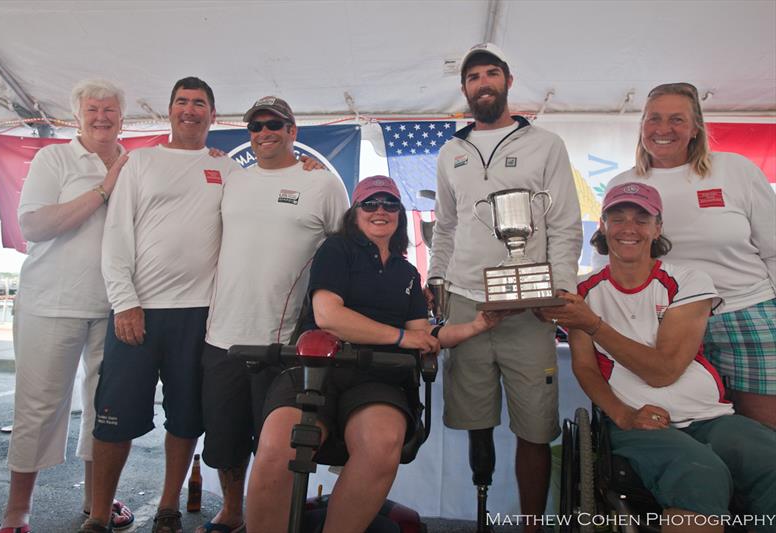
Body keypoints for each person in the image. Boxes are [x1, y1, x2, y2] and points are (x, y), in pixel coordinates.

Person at [246, 176, 507, 533]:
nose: (380, 210)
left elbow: (423, 335)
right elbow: (328, 316)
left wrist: (478, 324)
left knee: (382, 445)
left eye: (389, 204)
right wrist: (401, 338)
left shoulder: (408, 273)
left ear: (399, 214)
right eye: (370, 203)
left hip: (379, 375)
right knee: (278, 449)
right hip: (315, 369)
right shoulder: (336, 250)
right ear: (354, 213)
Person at [542, 182, 776, 533]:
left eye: (641, 218)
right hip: (635, 421)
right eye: (617, 218)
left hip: (708, 415)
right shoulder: (582, 292)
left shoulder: (688, 281)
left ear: (657, 227)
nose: (629, 228)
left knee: (769, 460)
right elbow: (585, 367)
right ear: (603, 226)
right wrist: (623, 415)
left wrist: (593, 325)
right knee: (701, 472)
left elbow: (664, 370)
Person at [428, 42, 582, 531]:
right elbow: (446, 227)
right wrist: (437, 278)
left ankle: (531, 524)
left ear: (508, 82)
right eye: (474, 78)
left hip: (529, 307)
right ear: (465, 89)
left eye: (491, 74)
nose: (483, 84)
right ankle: (480, 516)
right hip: (466, 303)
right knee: (475, 422)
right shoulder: (451, 150)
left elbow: (564, 225)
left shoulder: (546, 144)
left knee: (535, 428)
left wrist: (555, 292)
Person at [79, 77, 242, 533]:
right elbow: (116, 238)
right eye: (182, 102)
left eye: (200, 103)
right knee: (113, 419)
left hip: (199, 315)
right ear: (169, 110)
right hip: (137, 311)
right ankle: (97, 514)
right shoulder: (141, 161)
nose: (190, 110)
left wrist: (306, 171)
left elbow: (267, 199)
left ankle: (168, 506)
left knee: (186, 417)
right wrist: (126, 302)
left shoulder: (227, 169)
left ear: (213, 113)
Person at [197, 96, 348, 533]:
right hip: (220, 335)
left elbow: (342, 252)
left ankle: (271, 518)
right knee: (224, 441)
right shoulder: (232, 178)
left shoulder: (322, 183)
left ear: (292, 131)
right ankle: (232, 509)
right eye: (256, 125)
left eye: (274, 125)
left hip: (282, 343)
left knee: (275, 446)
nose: (264, 133)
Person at [0, 79, 134, 533]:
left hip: (114, 306)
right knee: (38, 408)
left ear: (122, 117)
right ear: (76, 116)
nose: (101, 116)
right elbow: (33, 225)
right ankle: (17, 510)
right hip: (51, 302)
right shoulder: (53, 158)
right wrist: (102, 190)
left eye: (110, 109)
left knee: (105, 409)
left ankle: (98, 504)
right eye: (92, 109)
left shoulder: (133, 162)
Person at [604, 82, 776, 428]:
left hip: (746, 315)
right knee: (691, 431)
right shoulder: (624, 184)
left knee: (764, 433)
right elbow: (615, 261)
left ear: (696, 127)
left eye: (677, 120)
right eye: (654, 119)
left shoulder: (734, 170)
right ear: (642, 126)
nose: (663, 129)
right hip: (666, 326)